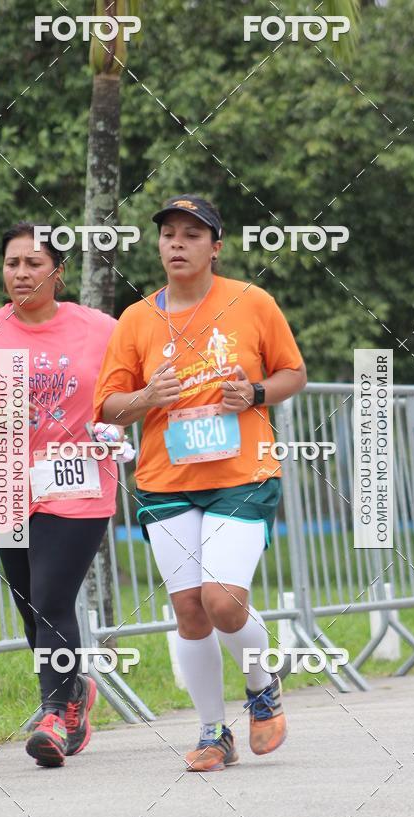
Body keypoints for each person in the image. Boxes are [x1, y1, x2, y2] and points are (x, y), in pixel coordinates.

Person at [94, 195, 307, 772]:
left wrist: (255, 393)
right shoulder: (137, 319)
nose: (178, 244)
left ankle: (262, 686)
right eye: (169, 234)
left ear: (215, 247)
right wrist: (146, 398)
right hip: (166, 481)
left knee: (221, 600)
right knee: (189, 610)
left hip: (242, 475)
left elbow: (293, 372)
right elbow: (108, 406)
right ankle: (214, 731)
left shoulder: (252, 302)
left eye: (192, 235)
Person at [0, 222, 119, 768]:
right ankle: (74, 691)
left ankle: (54, 715)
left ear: (58, 273)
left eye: (33, 263)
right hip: (11, 486)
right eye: (12, 263)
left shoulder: (100, 329)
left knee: (52, 597)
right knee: (32, 610)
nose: (20, 273)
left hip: (79, 483)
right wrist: (1, 414)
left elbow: (129, 390)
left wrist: (124, 418)